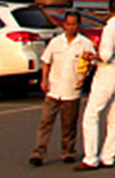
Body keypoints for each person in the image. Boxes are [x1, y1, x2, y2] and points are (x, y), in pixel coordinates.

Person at [79, 0, 115, 170]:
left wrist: (91, 56)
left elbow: (106, 55)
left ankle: (91, 157)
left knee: (91, 115)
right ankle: (108, 156)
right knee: (114, 116)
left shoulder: (111, 27)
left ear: (109, 9)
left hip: (108, 71)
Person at [31, 12, 93, 167]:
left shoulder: (84, 43)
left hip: (72, 90)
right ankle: (39, 152)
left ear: (78, 25)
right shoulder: (56, 42)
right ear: (64, 25)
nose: (71, 27)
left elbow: (91, 63)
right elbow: (46, 62)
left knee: (69, 124)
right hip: (53, 88)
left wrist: (84, 78)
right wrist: (44, 80)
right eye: (68, 24)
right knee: (46, 122)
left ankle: (68, 151)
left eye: (74, 24)